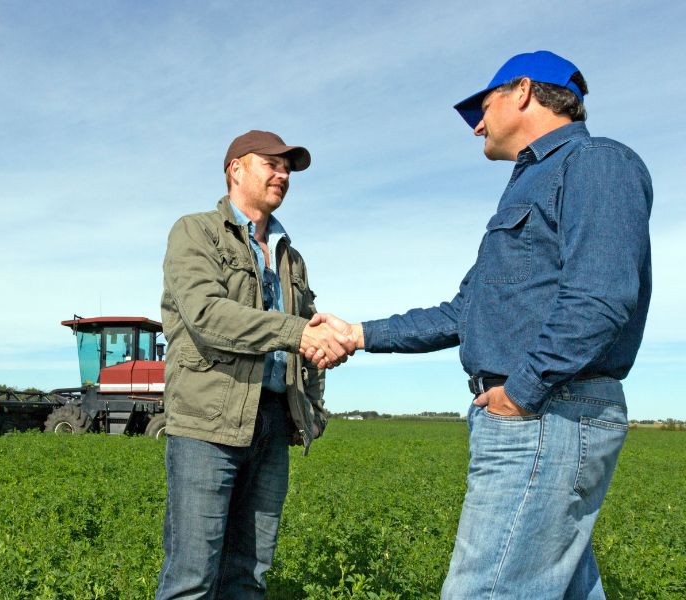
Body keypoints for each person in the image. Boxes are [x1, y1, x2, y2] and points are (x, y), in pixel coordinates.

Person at [306, 51, 653, 598]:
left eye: (481, 105)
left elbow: (601, 298)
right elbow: (461, 313)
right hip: (543, 415)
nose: (476, 126)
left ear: (521, 91)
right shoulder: (527, 185)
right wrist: (359, 334)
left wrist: (521, 392)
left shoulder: (596, 163)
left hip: (548, 414)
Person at [156, 130, 354, 600]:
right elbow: (207, 316)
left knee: (249, 576)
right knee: (192, 577)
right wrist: (300, 333)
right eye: (272, 163)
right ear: (236, 169)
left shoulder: (291, 256)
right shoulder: (196, 231)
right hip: (208, 423)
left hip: (271, 421)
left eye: (288, 168)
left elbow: (304, 333)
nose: (283, 174)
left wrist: (318, 383)